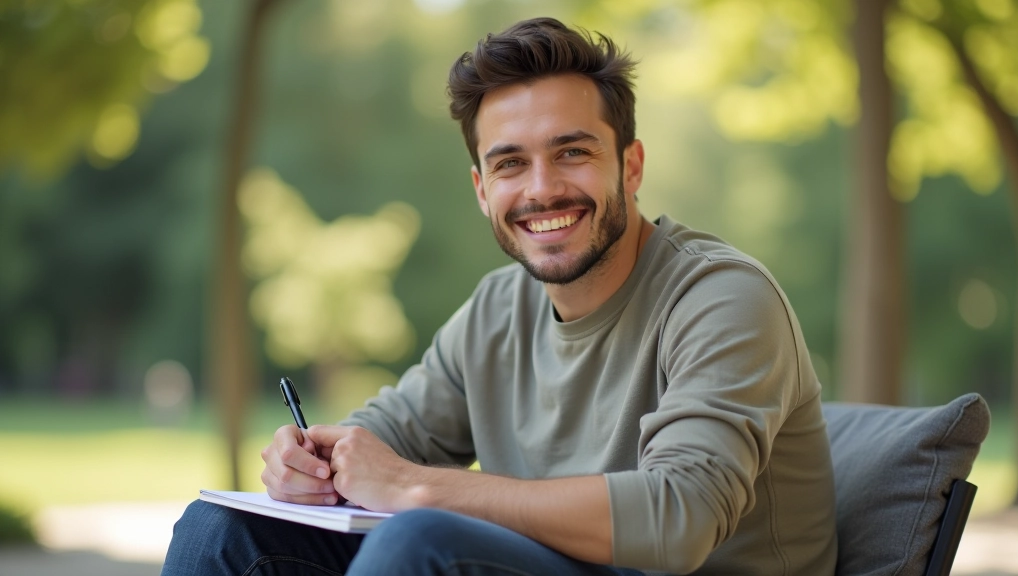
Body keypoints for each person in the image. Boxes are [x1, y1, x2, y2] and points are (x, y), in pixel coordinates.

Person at [163, 17, 837, 576]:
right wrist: (312, 462)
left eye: (572, 152)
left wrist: (413, 488)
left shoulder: (722, 298)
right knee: (220, 531)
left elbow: (679, 520)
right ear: (483, 188)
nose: (541, 189)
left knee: (418, 542)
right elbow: (388, 438)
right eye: (510, 163)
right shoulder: (497, 310)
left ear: (630, 167)